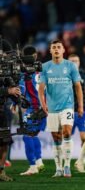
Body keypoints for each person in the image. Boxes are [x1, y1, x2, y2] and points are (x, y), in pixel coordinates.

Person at [38, 40, 83, 178]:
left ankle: (67, 166)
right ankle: (58, 168)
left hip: (67, 106)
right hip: (52, 108)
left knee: (67, 132)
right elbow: (41, 89)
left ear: (63, 50)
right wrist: (43, 104)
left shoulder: (70, 66)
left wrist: (80, 105)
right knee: (56, 137)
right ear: (50, 51)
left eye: (59, 47)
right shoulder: (45, 67)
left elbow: (78, 87)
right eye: (54, 48)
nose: (56, 49)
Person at [19, 45, 46, 176]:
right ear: (35, 56)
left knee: (27, 136)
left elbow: (21, 89)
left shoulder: (24, 73)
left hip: (34, 108)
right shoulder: (43, 71)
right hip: (46, 108)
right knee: (33, 135)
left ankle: (33, 166)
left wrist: (15, 102)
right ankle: (39, 161)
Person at [0, 86, 21, 181]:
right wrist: (7, 91)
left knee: (4, 142)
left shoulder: (7, 74)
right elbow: (8, 90)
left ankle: (1, 172)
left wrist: (17, 101)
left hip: (3, 110)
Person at [67, 54, 85, 146]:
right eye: (72, 61)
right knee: (67, 136)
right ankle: (67, 158)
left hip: (83, 111)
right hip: (68, 110)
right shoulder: (63, 76)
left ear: (79, 63)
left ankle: (82, 158)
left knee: (84, 137)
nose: (74, 63)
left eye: (76, 61)